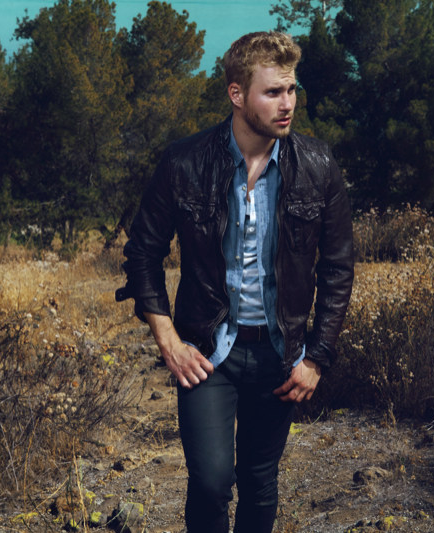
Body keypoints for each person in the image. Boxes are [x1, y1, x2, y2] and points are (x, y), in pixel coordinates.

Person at [115, 31, 354, 533]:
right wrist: (169, 341)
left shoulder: (318, 165)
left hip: (279, 354)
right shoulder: (184, 162)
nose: (287, 104)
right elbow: (143, 253)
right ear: (237, 94)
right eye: (273, 92)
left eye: (291, 90)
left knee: (260, 481)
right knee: (210, 481)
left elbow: (338, 268)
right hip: (207, 352)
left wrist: (316, 358)